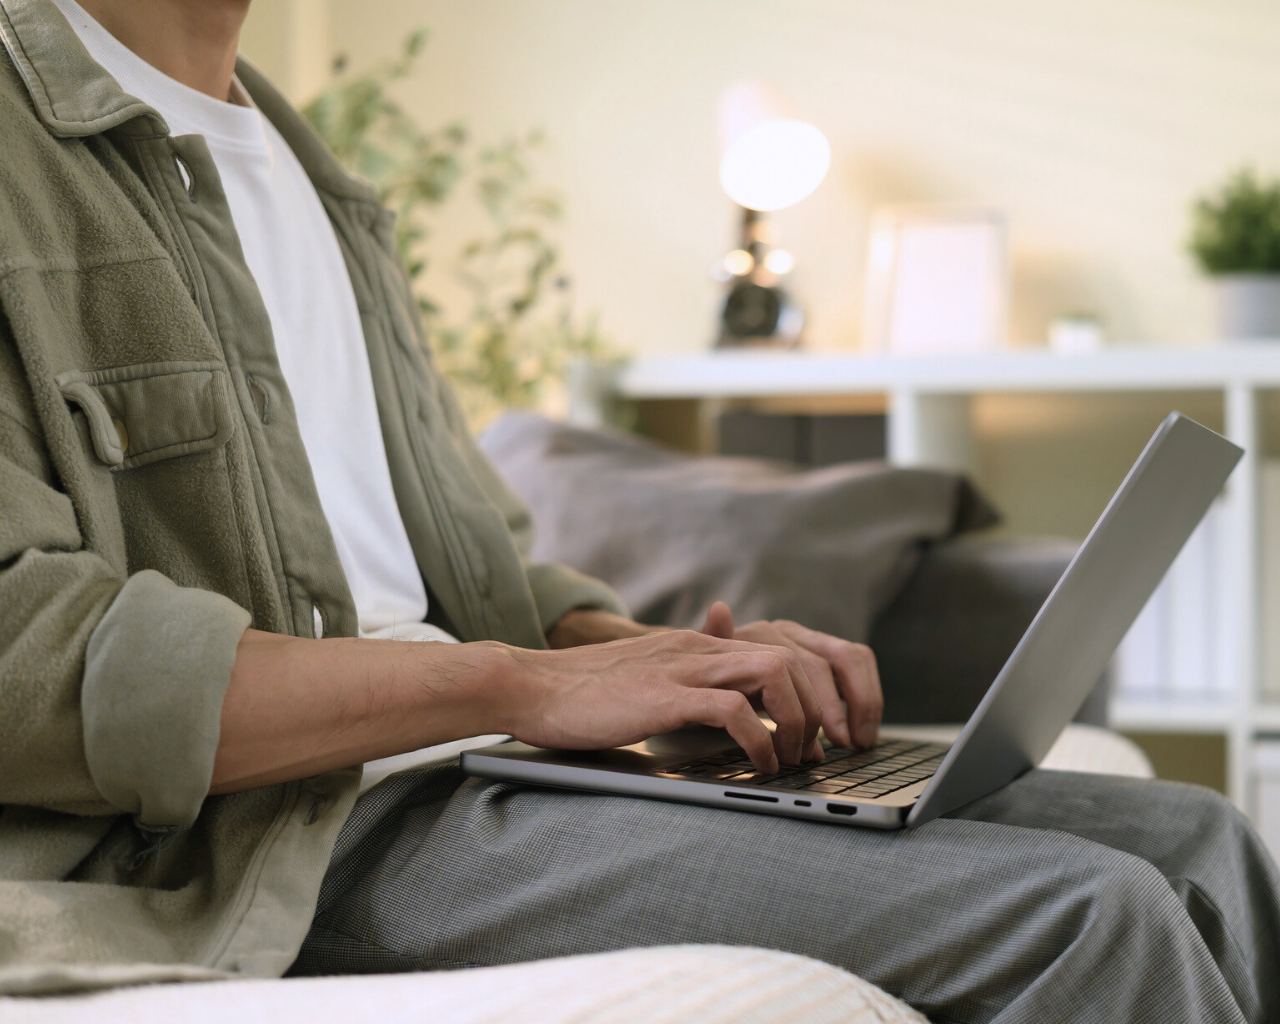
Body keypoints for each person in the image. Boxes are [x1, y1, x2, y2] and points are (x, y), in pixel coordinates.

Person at [0, 1, 1276, 1020]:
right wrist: (514, 686)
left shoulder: (310, 175)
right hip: (272, 831)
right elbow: (28, 659)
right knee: (1086, 916)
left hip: (478, 760)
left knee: (1196, 837)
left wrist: (656, 664)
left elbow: (471, 559)